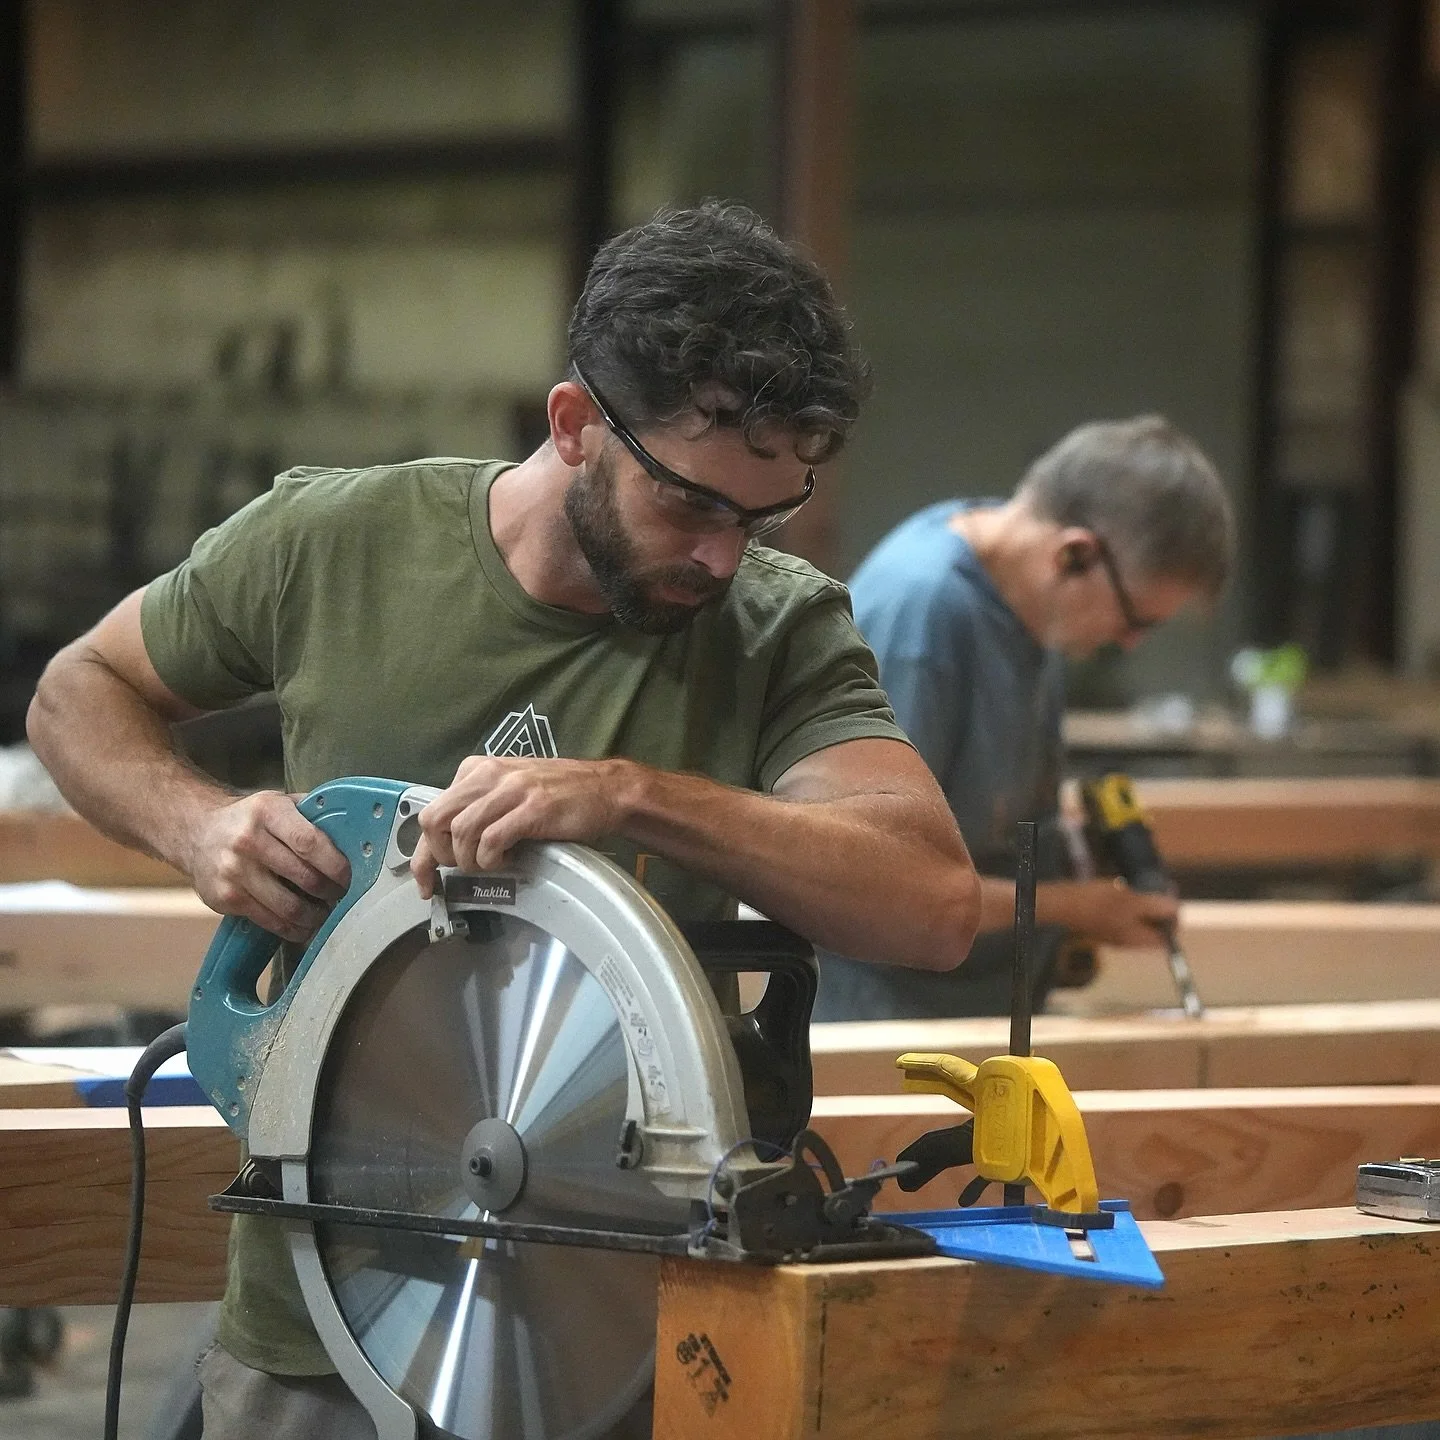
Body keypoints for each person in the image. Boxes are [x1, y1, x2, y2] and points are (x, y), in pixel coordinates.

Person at [26, 200, 981, 1436]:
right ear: (576, 426)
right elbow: (76, 695)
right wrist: (199, 826)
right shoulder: (336, 544)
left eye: (762, 517)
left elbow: (934, 906)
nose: (722, 558)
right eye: (690, 504)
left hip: (616, 1328)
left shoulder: (775, 625)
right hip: (325, 1304)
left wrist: (635, 794)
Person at [813, 415, 1234, 1021]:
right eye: (1137, 620)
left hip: (975, 1015)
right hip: (888, 1034)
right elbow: (878, 887)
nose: (1133, 644)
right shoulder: (925, 615)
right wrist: (1076, 907)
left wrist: (1071, 844)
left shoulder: (1033, 602)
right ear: (1074, 555)